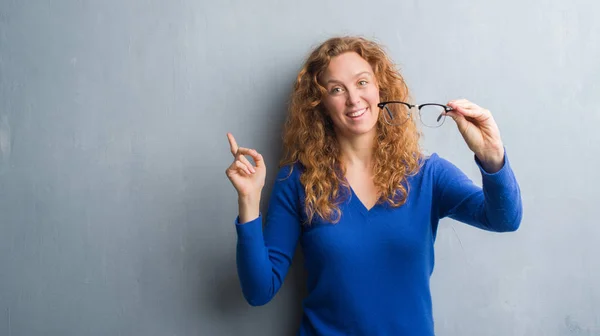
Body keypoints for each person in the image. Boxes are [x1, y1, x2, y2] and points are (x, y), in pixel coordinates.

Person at [224, 36, 522, 336]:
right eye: (337, 89)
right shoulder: (297, 181)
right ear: (320, 104)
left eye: (362, 82)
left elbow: (504, 219)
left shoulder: (428, 175)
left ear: (380, 87)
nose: (353, 98)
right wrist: (248, 201)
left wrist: (492, 156)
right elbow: (259, 290)